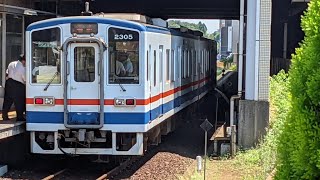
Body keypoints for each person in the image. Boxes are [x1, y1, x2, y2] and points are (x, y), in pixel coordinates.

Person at [2, 54, 26, 121]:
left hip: (9, 83)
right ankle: (19, 117)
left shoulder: (11, 63)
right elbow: (24, 79)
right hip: (18, 84)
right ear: (24, 61)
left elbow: (7, 73)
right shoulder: (22, 68)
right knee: (19, 101)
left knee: (7, 100)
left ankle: (4, 115)